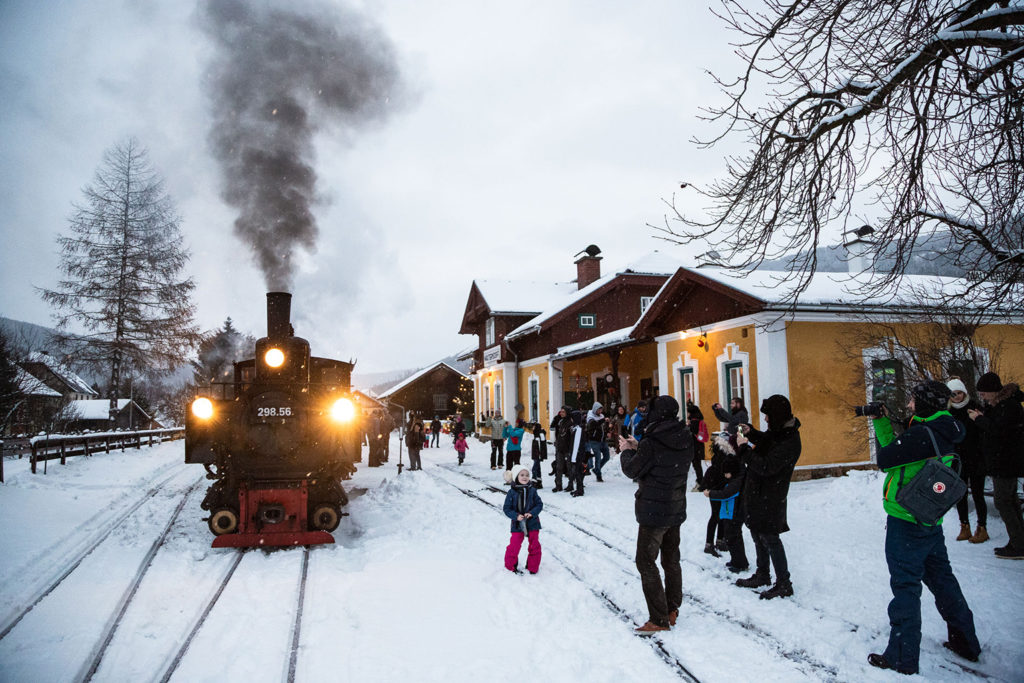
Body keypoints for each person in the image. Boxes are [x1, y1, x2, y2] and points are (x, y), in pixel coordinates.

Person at [867, 381, 981, 675]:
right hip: (931, 519)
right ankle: (965, 642)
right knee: (944, 582)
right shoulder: (947, 427)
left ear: (925, 404)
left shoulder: (920, 435)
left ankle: (902, 658)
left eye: (914, 400)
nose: (908, 405)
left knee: (905, 587)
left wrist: (880, 422)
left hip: (906, 521)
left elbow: (886, 460)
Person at [619, 395, 692, 635]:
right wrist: (639, 447)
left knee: (645, 561)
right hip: (675, 506)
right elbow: (664, 458)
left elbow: (633, 469)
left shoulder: (653, 440)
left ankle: (659, 618)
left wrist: (627, 452)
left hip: (654, 510)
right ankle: (672, 607)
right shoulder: (683, 436)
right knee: (671, 560)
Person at [733, 395, 800, 600]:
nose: (766, 420)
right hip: (758, 492)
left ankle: (784, 583)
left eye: (768, 416)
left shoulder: (790, 440)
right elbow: (766, 442)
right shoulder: (779, 432)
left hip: (771, 495)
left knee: (770, 537)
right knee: (756, 532)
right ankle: (763, 574)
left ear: (777, 416)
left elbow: (767, 466)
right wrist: (751, 433)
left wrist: (744, 448)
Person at [969, 371, 1024, 559]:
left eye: (983, 392)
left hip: (1007, 462)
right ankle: (1018, 541)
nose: (982, 395)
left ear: (993, 390)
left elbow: (998, 430)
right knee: (1011, 501)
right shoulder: (999, 405)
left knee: (1003, 502)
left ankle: (1018, 545)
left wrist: (979, 419)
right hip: (1003, 461)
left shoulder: (1009, 406)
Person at [946, 378, 988, 543]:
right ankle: (964, 526)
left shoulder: (975, 407)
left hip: (976, 457)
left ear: (964, 392)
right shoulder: (948, 412)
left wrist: (977, 419)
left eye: (959, 393)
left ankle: (982, 528)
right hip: (958, 458)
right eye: (953, 394)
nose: (956, 396)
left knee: (978, 494)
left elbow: (985, 430)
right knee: (960, 494)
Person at [703, 451, 749, 572]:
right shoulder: (737, 476)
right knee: (733, 537)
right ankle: (737, 560)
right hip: (734, 512)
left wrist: (711, 494)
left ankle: (740, 563)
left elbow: (726, 494)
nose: (725, 476)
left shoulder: (736, 481)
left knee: (734, 537)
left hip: (736, 513)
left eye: (726, 473)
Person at [503, 464, 543, 574]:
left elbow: (539, 504)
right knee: (514, 544)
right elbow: (506, 508)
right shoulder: (512, 492)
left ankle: (533, 567)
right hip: (517, 523)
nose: (525, 477)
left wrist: (532, 513)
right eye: (522, 475)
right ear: (516, 477)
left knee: (534, 545)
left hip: (532, 522)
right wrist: (516, 516)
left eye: (527, 475)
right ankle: (510, 566)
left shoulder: (533, 491)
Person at [585, 402, 611, 481]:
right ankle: (599, 475)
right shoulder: (590, 417)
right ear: (595, 409)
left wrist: (607, 431)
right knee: (598, 456)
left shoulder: (602, 416)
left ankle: (596, 469)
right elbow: (593, 425)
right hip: (594, 440)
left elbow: (604, 428)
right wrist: (603, 420)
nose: (600, 412)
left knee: (607, 457)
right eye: (599, 410)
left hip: (603, 440)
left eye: (601, 410)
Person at [687, 403, 710, 491]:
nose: (688, 414)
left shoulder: (694, 422)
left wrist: (687, 426)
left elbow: (690, 432)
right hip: (699, 446)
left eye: (688, 412)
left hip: (695, 447)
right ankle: (700, 481)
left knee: (696, 465)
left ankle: (701, 483)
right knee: (697, 465)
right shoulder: (699, 420)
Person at [568, 409, 588, 497]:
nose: (571, 420)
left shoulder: (579, 430)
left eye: (572, 418)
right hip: (577, 454)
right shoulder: (576, 428)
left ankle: (580, 490)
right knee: (577, 472)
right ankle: (579, 489)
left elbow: (576, 444)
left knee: (578, 472)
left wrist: (573, 457)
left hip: (578, 455)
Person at [530, 424, 547, 488]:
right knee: (538, 467)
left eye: (534, 427)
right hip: (536, 454)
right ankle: (539, 481)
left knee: (535, 468)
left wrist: (540, 454)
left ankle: (534, 480)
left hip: (537, 454)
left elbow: (541, 445)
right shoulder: (536, 434)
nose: (533, 428)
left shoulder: (539, 435)